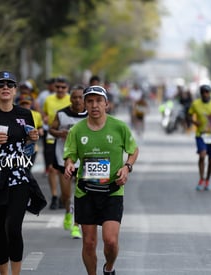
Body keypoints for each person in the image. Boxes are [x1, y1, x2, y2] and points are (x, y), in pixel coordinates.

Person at [0, 71, 46, 275]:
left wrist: (32, 138)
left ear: (15, 90)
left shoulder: (24, 114)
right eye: (1, 84)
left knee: (13, 228)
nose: (5, 87)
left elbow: (29, 147)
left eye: (10, 84)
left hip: (18, 177)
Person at [64, 85, 139, 275]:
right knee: (89, 243)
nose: (94, 105)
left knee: (111, 241)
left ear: (106, 104)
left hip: (112, 191)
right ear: (84, 105)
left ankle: (109, 267)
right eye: (90, 101)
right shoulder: (77, 130)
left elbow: (133, 150)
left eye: (98, 101)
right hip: (86, 192)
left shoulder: (119, 127)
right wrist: (69, 165)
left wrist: (127, 167)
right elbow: (70, 155)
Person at [49, 85, 87, 239]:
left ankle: (76, 226)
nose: (77, 100)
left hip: (84, 159)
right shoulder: (62, 114)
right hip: (63, 158)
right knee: (66, 195)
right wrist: (60, 133)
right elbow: (51, 129)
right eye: (74, 97)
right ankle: (67, 212)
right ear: (70, 98)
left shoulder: (91, 114)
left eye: (80, 97)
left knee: (81, 194)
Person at [42, 76, 71, 209]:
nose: (60, 89)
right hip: (52, 136)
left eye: (63, 87)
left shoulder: (72, 99)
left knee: (64, 169)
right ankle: (54, 196)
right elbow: (44, 115)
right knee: (52, 168)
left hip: (67, 139)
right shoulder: (49, 99)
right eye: (57, 87)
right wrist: (46, 118)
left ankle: (63, 196)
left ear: (67, 88)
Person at [187, 84, 211, 191]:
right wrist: (194, 121)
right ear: (200, 93)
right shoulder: (196, 104)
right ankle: (201, 179)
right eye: (203, 92)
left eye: (207, 92)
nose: (205, 94)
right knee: (202, 155)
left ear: (210, 93)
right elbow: (189, 115)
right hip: (201, 134)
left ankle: (207, 180)